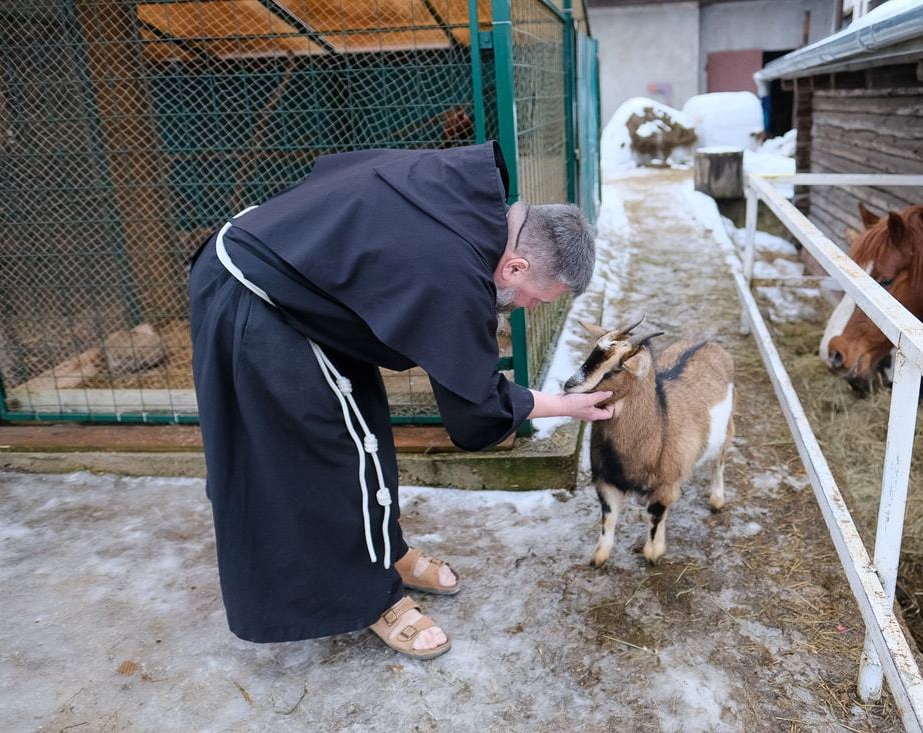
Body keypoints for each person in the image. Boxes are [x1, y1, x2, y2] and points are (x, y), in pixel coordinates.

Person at [187, 141, 612, 659]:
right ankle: (371, 597)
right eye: (533, 299)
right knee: (330, 455)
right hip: (254, 297)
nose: (522, 310)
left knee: (364, 433)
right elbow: (476, 413)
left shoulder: (466, 191)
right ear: (517, 267)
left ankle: (384, 551)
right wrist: (566, 406)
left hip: (299, 279)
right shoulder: (453, 271)